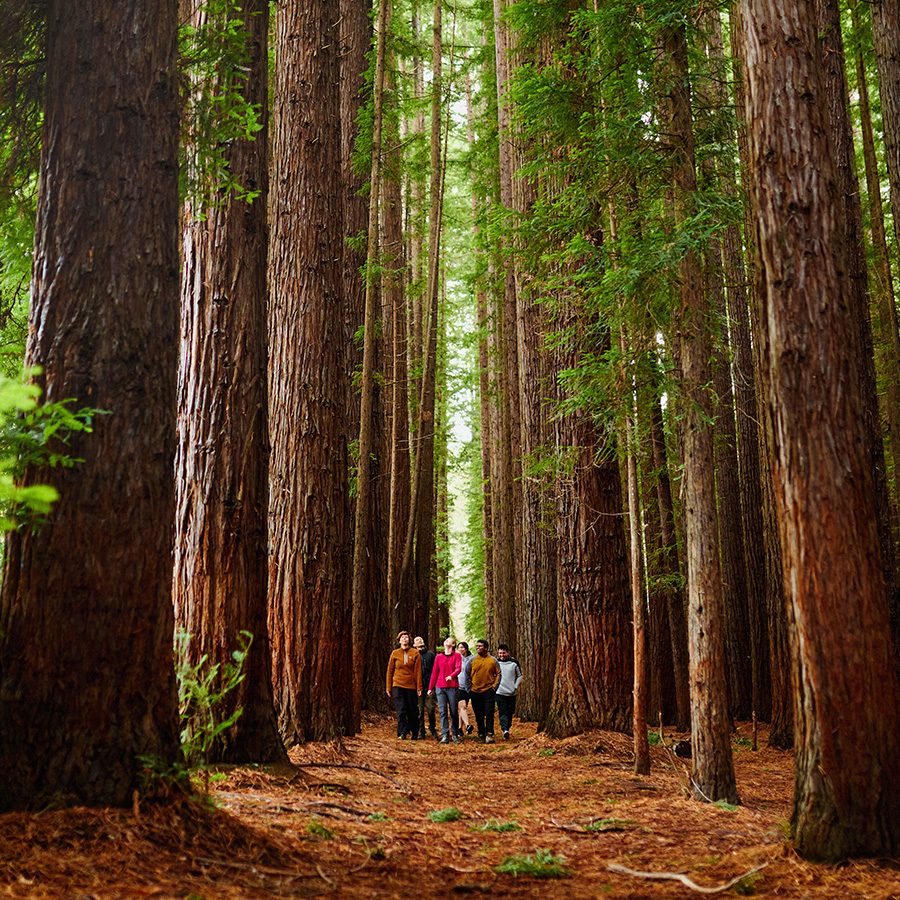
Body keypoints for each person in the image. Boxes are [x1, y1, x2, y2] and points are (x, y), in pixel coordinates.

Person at [386, 631, 422, 739]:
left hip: (411, 686)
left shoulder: (415, 653)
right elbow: (390, 671)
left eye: (406, 637)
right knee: (401, 710)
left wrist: (419, 687)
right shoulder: (395, 653)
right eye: (402, 637)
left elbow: (418, 671)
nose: (405, 639)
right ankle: (401, 732)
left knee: (412, 711)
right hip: (398, 685)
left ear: (409, 640)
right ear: (399, 640)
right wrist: (388, 687)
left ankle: (414, 732)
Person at [428, 636, 462, 743]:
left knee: (453, 711)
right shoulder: (438, 657)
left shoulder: (457, 655)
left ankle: (455, 734)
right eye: (445, 640)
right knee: (442, 711)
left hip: (452, 687)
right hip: (440, 687)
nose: (446, 642)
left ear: (453, 645)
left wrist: (451, 676)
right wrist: (430, 688)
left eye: (448, 641)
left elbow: (458, 668)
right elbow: (434, 673)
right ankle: (445, 735)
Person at [468, 638, 500, 743]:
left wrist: (494, 687)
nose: (478, 648)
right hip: (475, 691)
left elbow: (499, 673)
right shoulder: (472, 660)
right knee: (478, 714)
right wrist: (469, 688)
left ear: (486, 648)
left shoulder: (493, 660)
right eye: (477, 646)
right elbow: (466, 673)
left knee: (489, 712)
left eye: (480, 646)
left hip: (488, 691)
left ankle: (489, 734)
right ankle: (481, 733)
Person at [495, 644, 523, 741]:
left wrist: (515, 686)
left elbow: (520, 676)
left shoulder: (514, 663)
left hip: (511, 692)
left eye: (503, 653)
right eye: (500, 653)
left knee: (510, 712)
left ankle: (507, 727)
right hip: (499, 692)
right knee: (502, 711)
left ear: (507, 652)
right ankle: (504, 730)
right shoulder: (496, 662)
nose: (501, 655)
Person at [413, 635, 438, 740]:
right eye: (417, 640)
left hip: (429, 686)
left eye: (421, 639)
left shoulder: (431, 654)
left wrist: (433, 686)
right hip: (417, 687)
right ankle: (421, 731)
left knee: (431, 708)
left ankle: (432, 728)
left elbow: (436, 670)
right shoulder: (413, 654)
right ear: (414, 644)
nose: (420, 640)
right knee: (419, 710)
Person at [456, 641, 474, 736]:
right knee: (462, 707)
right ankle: (467, 725)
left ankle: (459, 729)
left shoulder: (472, 658)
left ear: (466, 648)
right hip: (458, 686)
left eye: (462, 647)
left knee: (462, 709)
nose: (460, 649)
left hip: (468, 686)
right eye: (459, 648)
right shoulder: (456, 657)